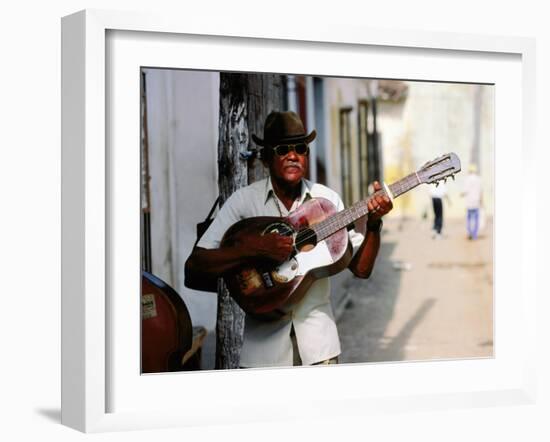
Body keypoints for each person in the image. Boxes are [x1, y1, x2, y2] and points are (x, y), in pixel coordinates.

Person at [184, 111, 392, 368]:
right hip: (262, 355)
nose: (293, 155)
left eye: (301, 148)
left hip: (319, 350)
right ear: (266, 157)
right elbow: (196, 263)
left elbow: (361, 269)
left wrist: (374, 223)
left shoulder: (326, 202)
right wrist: (255, 249)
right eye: (283, 149)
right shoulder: (243, 202)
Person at [462, 163, 483, 240]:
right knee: (476, 219)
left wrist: (461, 194)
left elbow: (465, 191)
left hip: (469, 202)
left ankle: (469, 232)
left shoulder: (467, 179)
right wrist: (482, 202)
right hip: (476, 202)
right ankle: (474, 235)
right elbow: (481, 192)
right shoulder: (479, 179)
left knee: (469, 218)